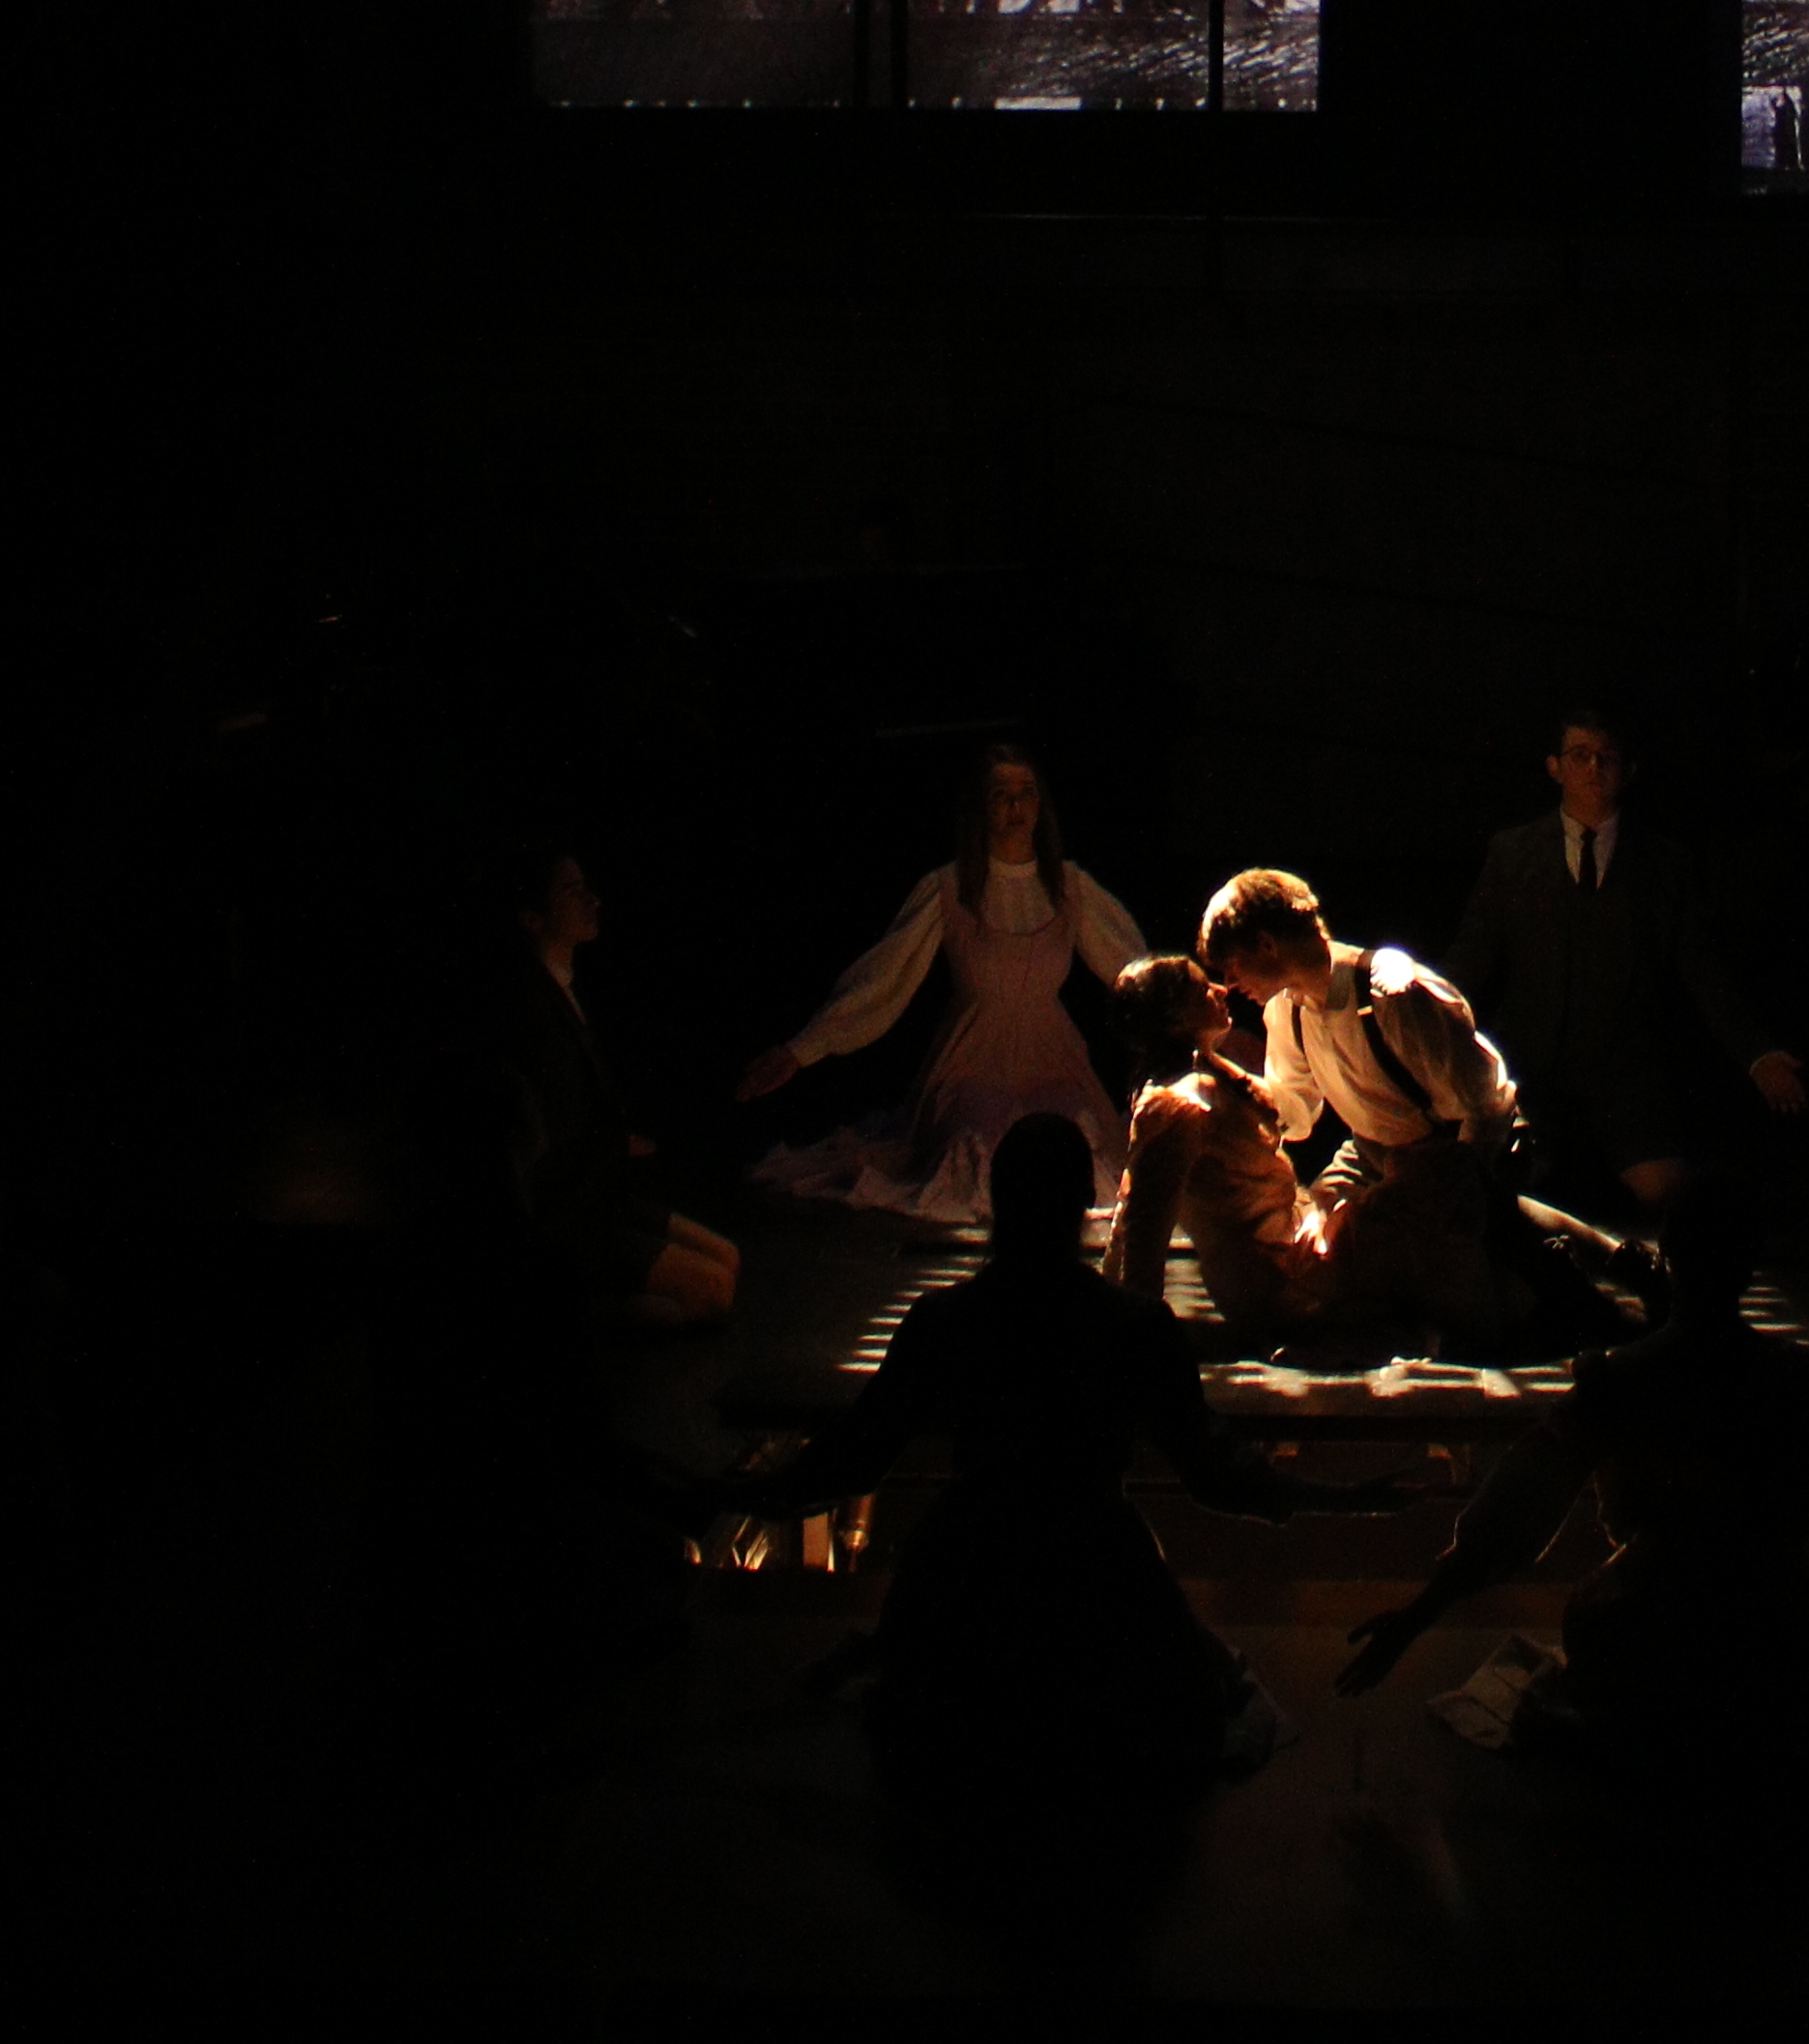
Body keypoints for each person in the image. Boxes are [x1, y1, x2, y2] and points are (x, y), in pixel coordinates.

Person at [732, 1114, 1422, 1805]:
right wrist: (1338, 1498)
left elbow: (856, 1455)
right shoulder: (1133, 1327)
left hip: (968, 1563)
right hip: (1097, 1565)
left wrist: (739, 1492)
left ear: (999, 1201)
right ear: (1082, 1206)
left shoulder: (947, 1321)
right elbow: (1216, 1472)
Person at [1336, 1176, 1809, 1797]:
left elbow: (1516, 1510)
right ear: (1748, 1262)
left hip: (1647, 1634)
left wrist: (1418, 1615)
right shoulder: (1806, 1380)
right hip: (1779, 1637)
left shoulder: (1622, 1380)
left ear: (1668, 1255)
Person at [732, 745, 1145, 1222]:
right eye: (1001, 794)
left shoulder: (1069, 888)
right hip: (971, 1061)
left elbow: (1134, 967)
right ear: (981, 806)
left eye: (1027, 792)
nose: (1016, 806)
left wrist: (1194, 1025)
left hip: (1053, 1060)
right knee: (980, 1151)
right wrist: (801, 1049)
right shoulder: (949, 888)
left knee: (1072, 1147)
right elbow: (885, 978)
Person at [1444, 711, 1807, 1213]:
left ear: (1627, 770)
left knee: (1664, 1189)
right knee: (1491, 1185)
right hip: (1531, 1065)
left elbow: (1702, 969)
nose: (1594, 768)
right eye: (1580, 756)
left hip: (1624, 1073)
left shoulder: (1662, 863)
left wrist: (1758, 1054)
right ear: (1555, 767)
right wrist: (1419, 1029)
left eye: (1607, 758)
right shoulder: (1514, 854)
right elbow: (1473, 955)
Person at [1196, 865, 1530, 1356]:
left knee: (1379, 1245)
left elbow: (1484, 1104)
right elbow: (1295, 1115)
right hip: (1370, 1151)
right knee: (1302, 1241)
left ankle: (1424, 1335)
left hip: (1446, 1153)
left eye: (1233, 964)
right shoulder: (1286, 1010)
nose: (1229, 982)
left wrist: (1448, 1191)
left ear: (1267, 945)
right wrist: (1216, 1068)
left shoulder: (1391, 995)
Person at [489, 845, 739, 1329]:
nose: (592, 900)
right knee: (712, 1291)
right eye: (572, 891)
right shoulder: (531, 1010)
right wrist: (608, 1147)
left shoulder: (564, 990)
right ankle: (560, 1306)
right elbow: (546, 1136)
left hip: (599, 1193)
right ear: (533, 918)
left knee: (726, 1259)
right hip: (570, 1212)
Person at [1103, 951, 1349, 1351]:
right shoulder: (1179, 1105)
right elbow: (1142, 1224)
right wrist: (1133, 1333)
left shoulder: (1217, 1075)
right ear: (1175, 1019)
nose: (1221, 989)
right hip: (1273, 1281)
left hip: (1293, 1253)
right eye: (1202, 989)